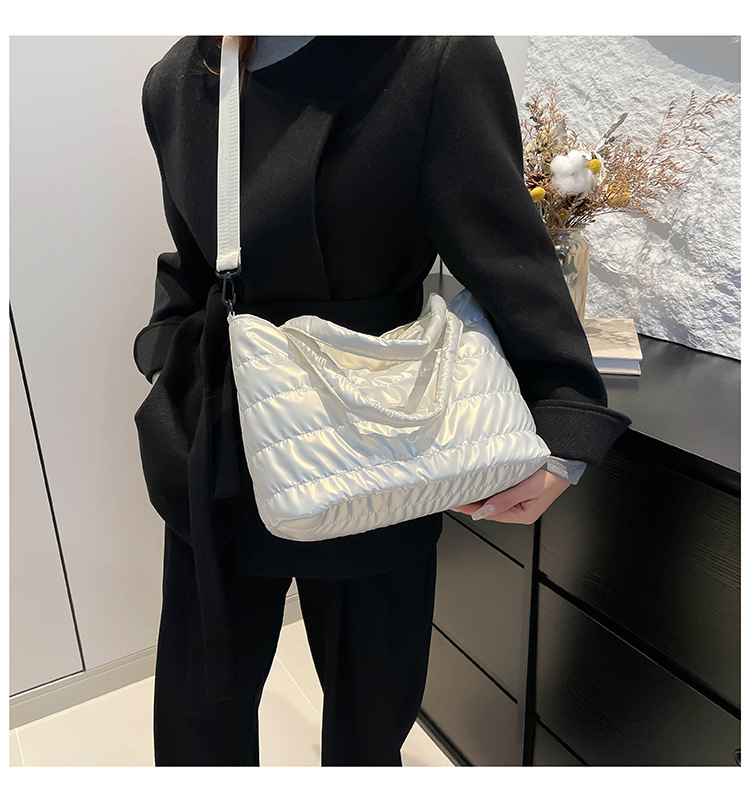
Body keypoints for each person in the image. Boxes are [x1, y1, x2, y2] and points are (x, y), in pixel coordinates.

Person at [133, 35, 631, 767]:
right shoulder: (179, 79)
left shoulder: (427, 55)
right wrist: (163, 353)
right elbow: (193, 258)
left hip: (380, 432)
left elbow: (505, 251)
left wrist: (563, 420)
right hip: (219, 434)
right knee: (197, 715)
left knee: (370, 719)